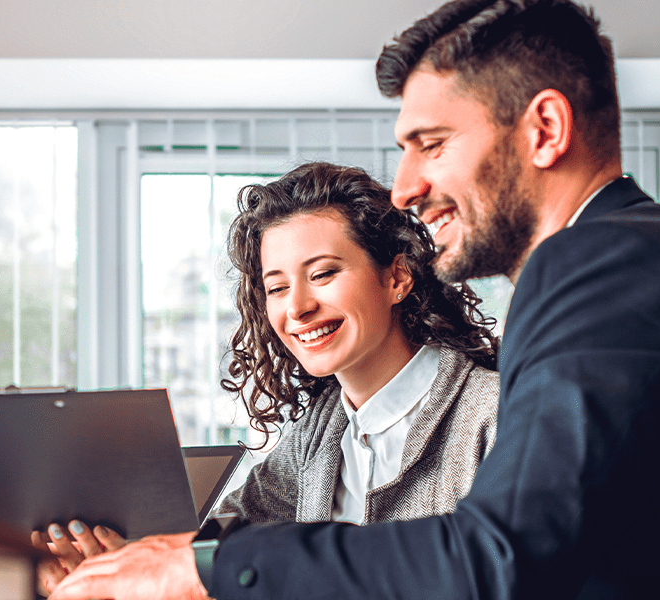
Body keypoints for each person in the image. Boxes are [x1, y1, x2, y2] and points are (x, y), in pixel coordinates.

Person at [51, 0, 660, 598]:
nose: (407, 187)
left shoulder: (606, 266)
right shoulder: (642, 254)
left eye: (431, 144)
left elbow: (495, 564)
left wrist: (204, 574)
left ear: (543, 129)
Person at [36, 163, 504, 591]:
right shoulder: (320, 434)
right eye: (277, 287)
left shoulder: (492, 413)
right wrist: (116, 560)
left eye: (322, 274)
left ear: (397, 278)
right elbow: (221, 546)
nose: (297, 307)